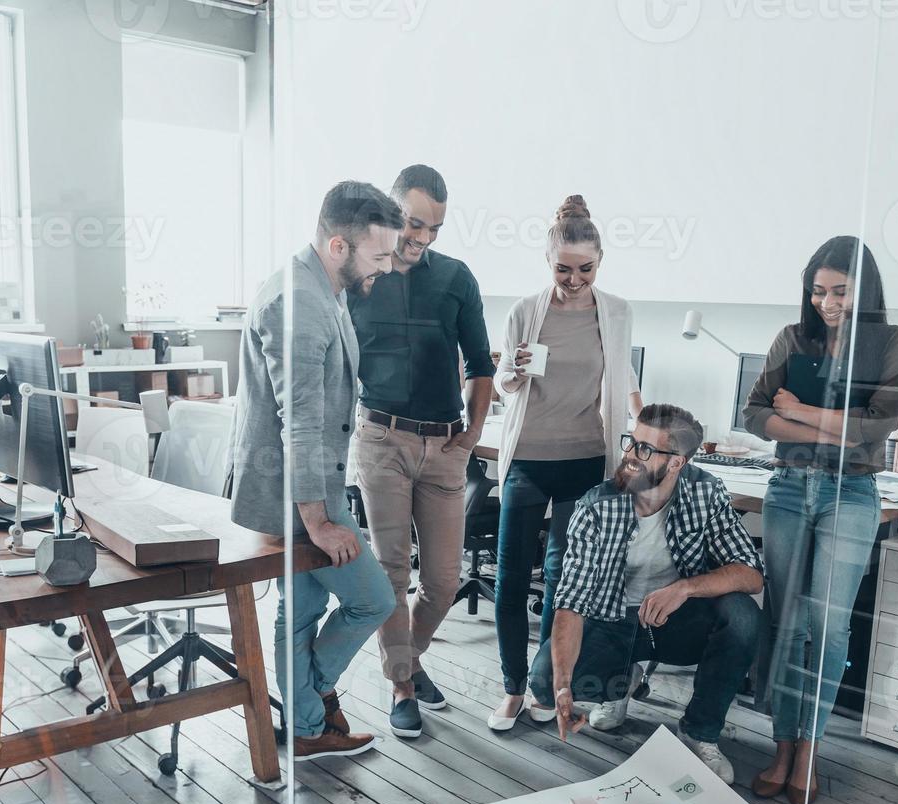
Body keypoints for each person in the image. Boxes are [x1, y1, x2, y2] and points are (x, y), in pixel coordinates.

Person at [228, 181, 403, 762]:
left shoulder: (319, 284)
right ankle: (314, 696)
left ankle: (306, 725)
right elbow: (298, 423)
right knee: (372, 600)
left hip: (314, 486)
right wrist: (322, 522)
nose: (388, 265)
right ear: (337, 245)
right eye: (378, 255)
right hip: (299, 496)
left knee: (299, 608)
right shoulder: (299, 302)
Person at [742, 236, 898, 804]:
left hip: (851, 493)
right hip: (790, 488)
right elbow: (755, 414)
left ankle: (810, 750)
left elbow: (878, 427)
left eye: (840, 291)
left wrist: (800, 412)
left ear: (865, 290)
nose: (827, 302)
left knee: (830, 627)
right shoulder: (793, 339)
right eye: (818, 291)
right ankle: (783, 744)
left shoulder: (894, 342)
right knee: (786, 620)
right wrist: (828, 424)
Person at [525, 404, 764, 782]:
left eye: (645, 450)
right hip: (614, 622)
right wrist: (563, 688)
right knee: (542, 680)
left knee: (742, 615)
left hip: (676, 623)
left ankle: (700, 732)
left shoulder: (706, 491)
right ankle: (622, 682)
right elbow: (570, 603)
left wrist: (685, 588)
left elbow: (751, 574)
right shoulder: (597, 506)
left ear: (677, 464)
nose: (631, 456)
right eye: (632, 443)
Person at [349, 164, 496, 738]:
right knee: (389, 573)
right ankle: (403, 685)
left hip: (445, 448)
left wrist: (473, 432)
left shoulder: (456, 278)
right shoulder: (361, 276)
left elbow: (483, 366)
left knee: (441, 579)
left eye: (433, 228)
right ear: (388, 212)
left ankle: (406, 659)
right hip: (381, 439)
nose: (421, 239)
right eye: (413, 224)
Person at [488, 195, 643, 731]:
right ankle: (511, 689)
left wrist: (649, 428)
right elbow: (504, 383)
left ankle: (542, 686)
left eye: (585, 269)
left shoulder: (617, 311)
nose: (574, 279)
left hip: (584, 459)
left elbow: (621, 377)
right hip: (529, 458)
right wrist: (516, 370)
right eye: (563, 269)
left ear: (600, 262)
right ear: (546, 260)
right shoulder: (523, 311)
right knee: (511, 579)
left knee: (563, 581)